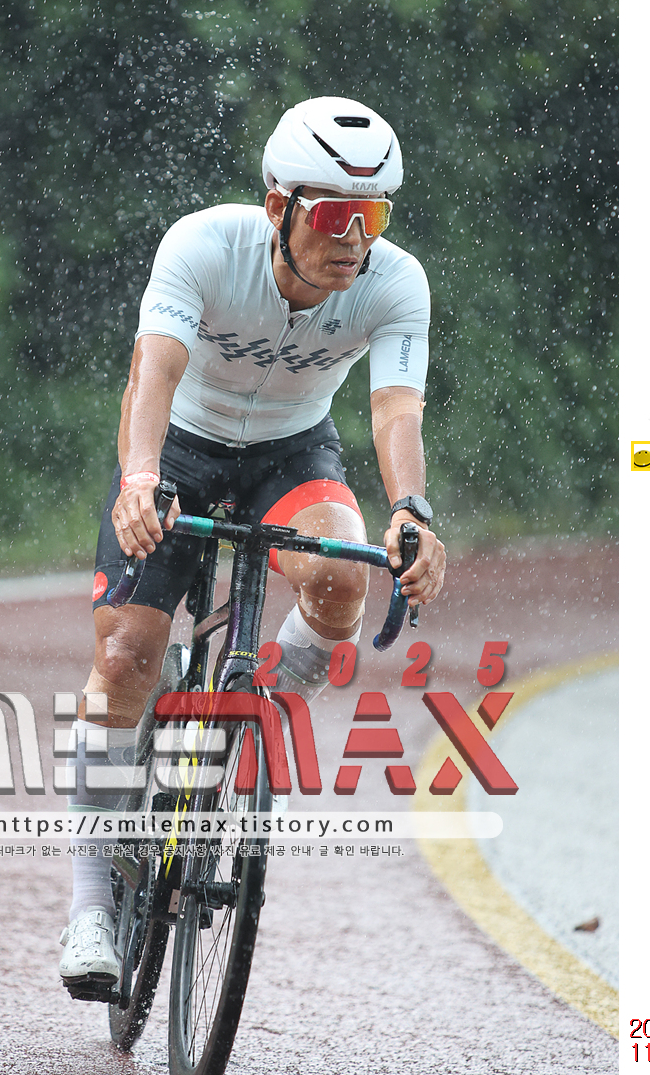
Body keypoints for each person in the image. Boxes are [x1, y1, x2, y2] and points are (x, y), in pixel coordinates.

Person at [57, 96, 447, 998]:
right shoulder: (204, 246)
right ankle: (89, 904)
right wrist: (140, 477)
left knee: (343, 576)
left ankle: (259, 719)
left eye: (375, 215)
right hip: (179, 447)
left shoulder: (396, 282)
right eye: (336, 215)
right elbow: (154, 370)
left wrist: (410, 509)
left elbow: (396, 406)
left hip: (290, 453)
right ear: (279, 206)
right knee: (125, 658)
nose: (356, 239)